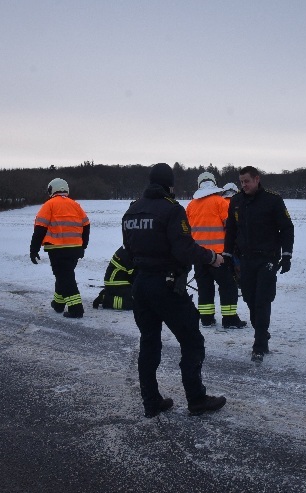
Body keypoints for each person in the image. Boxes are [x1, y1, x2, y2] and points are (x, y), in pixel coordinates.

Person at [122, 163, 226, 417]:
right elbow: (183, 248)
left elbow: (128, 249)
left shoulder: (132, 211)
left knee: (149, 342)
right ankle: (196, 398)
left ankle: (151, 401)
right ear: (169, 184)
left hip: (141, 286)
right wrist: (211, 257)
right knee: (192, 341)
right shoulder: (172, 210)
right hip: (166, 286)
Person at [223, 166, 294, 363]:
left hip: (267, 259)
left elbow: (287, 228)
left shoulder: (273, 200)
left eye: (247, 181)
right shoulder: (236, 201)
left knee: (263, 300)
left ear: (257, 179)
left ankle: (259, 344)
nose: (243, 185)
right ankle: (261, 330)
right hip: (245, 259)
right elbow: (230, 230)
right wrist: (227, 255)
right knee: (249, 298)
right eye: (241, 182)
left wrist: (286, 255)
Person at [186, 172, 246, 329]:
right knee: (228, 287)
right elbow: (231, 228)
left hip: (199, 256)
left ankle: (206, 318)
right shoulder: (221, 202)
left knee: (205, 288)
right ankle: (230, 319)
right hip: (220, 256)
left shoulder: (191, 205)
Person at [30, 178, 90, 318]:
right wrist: (83, 246)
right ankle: (58, 303)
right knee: (64, 275)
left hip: (57, 249)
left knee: (65, 277)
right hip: (75, 248)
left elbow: (40, 228)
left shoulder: (49, 204)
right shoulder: (75, 205)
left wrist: (34, 249)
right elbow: (86, 225)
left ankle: (76, 308)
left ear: (52, 189)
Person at [92, 246, 134, 310]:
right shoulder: (129, 252)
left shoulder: (131, 247)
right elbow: (135, 275)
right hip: (116, 282)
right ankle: (106, 300)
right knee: (136, 304)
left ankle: (109, 293)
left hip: (121, 280)